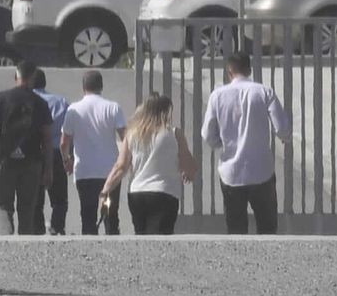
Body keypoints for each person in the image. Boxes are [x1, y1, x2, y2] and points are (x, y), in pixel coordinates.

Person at [202, 52, 290, 235]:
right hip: (261, 171)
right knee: (267, 229)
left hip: (231, 173)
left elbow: (208, 134)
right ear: (249, 70)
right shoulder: (264, 92)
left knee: (235, 230)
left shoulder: (217, 95)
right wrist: (284, 137)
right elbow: (282, 128)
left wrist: (222, 143)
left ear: (229, 71)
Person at [101, 94, 198, 235]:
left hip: (137, 194)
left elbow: (120, 167)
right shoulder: (174, 133)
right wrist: (188, 171)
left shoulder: (132, 135)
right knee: (161, 238)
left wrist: (105, 190)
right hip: (164, 193)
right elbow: (189, 165)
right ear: (165, 112)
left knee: (141, 236)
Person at [0, 61, 53, 236]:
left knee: (3, 204)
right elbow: (47, 139)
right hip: (32, 162)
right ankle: (24, 243)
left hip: (6, 160)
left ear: (15, 77)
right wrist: (48, 169)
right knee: (27, 206)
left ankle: (6, 238)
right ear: (33, 78)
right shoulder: (40, 103)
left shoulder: (2, 98)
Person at [60, 70, 126, 235]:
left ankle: (90, 249)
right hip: (109, 173)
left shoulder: (73, 110)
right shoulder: (113, 107)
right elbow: (126, 138)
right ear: (101, 86)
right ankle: (113, 245)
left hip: (85, 172)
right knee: (110, 214)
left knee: (88, 215)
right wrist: (125, 162)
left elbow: (64, 142)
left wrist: (67, 160)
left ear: (83, 87)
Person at [31, 69, 70, 236]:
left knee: (35, 197)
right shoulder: (61, 102)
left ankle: (37, 229)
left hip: (34, 152)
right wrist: (69, 155)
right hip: (56, 152)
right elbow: (68, 131)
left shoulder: (28, 100)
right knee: (59, 199)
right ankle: (57, 227)